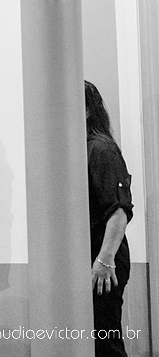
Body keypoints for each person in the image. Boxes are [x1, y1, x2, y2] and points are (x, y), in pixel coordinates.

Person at [85, 80, 132, 357]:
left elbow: (119, 211)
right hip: (94, 259)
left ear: (87, 110)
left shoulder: (101, 150)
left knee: (105, 343)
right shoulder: (80, 150)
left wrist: (104, 260)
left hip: (104, 261)